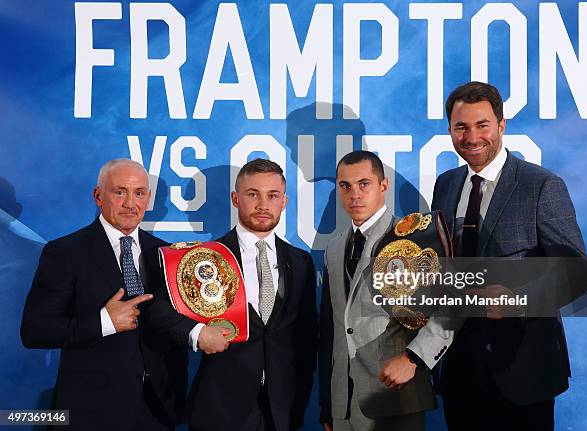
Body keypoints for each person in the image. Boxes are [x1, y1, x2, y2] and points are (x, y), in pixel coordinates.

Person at [432, 81, 587, 430]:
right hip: (458, 370)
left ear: (501, 126)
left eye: (482, 125)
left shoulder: (542, 185)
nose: (472, 136)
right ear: (450, 131)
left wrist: (519, 300)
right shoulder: (444, 184)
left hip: (523, 371)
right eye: (461, 127)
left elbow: (577, 271)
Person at [149, 158, 317, 431]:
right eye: (253, 194)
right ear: (236, 198)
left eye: (272, 196)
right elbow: (158, 312)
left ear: (283, 201)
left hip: (283, 412)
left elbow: (308, 338)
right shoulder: (202, 257)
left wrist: (300, 399)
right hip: (220, 410)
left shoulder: (301, 262)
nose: (263, 205)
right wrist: (197, 333)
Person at [20, 159, 188, 430]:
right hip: (90, 414)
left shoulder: (167, 255)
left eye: (139, 193)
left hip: (157, 412)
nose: (130, 203)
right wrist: (104, 322)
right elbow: (35, 331)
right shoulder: (65, 253)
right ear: (98, 196)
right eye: (119, 192)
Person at [319, 150, 438, 431]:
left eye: (364, 184)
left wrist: (415, 359)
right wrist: (328, 400)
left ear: (383, 186)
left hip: (396, 395)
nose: (354, 194)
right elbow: (331, 328)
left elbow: (447, 310)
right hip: (343, 405)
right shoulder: (334, 248)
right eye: (345, 186)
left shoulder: (415, 238)